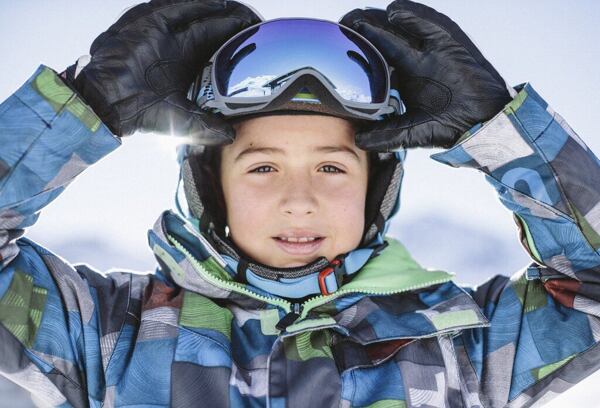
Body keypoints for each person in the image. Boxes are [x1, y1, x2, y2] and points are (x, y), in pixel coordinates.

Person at [0, 1, 598, 408]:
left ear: (377, 186)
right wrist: (81, 106)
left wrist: (503, 135)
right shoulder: (108, 335)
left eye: (332, 168)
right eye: (262, 167)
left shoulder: (465, 344)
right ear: (210, 186)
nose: (299, 201)